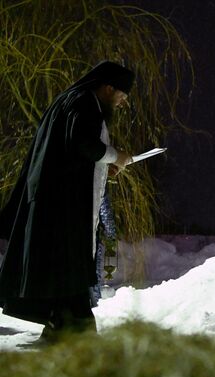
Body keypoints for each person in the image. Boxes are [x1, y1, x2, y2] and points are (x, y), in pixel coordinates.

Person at [0, 61, 135, 343]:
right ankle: (77, 332)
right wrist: (115, 156)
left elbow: (72, 152)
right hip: (63, 205)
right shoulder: (84, 102)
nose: (121, 103)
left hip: (58, 200)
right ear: (108, 88)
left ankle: (63, 326)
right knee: (70, 264)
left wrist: (101, 165)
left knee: (64, 267)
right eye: (121, 96)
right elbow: (81, 142)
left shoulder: (73, 100)